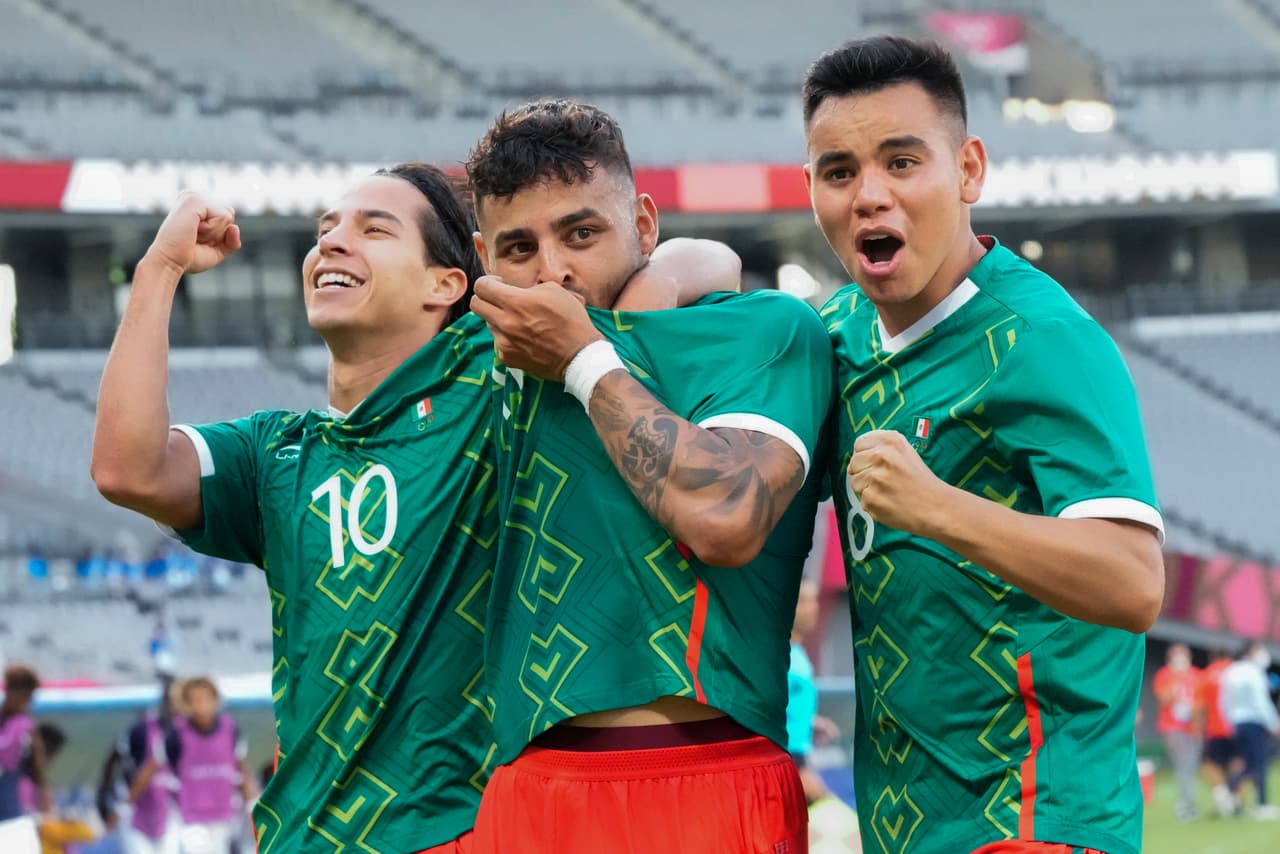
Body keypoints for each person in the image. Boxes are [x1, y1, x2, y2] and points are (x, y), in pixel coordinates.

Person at [92, 162, 734, 852]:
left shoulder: (496, 376)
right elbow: (128, 468)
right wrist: (159, 267)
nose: (332, 244)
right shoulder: (274, 453)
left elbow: (714, 262)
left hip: (458, 828)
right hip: (300, 835)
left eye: (375, 229)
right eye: (327, 230)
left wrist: (640, 301)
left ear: (447, 283)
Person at [804, 36, 1165, 854]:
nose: (870, 195)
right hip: (903, 825)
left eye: (902, 162)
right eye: (840, 171)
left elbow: (1134, 582)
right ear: (813, 191)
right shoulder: (833, 337)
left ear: (968, 170)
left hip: (1036, 816)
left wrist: (935, 507)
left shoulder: (1043, 339)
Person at [465, 98, 833, 852]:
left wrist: (587, 356)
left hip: (711, 777)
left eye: (581, 232)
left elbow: (727, 516)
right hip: (527, 795)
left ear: (643, 223)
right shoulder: (479, 375)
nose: (554, 271)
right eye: (518, 248)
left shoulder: (759, 329)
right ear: (482, 260)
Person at [127, 679, 249, 854]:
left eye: (205, 700)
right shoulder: (176, 735)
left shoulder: (230, 730)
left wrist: (251, 804)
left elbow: (242, 771)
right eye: (194, 701)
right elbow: (148, 771)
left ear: (215, 701)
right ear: (185, 705)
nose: (200, 707)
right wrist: (125, 806)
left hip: (224, 817)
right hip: (190, 819)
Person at [1221, 642, 1280, 819]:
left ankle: (1230, 789)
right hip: (1255, 721)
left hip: (1238, 722)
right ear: (1250, 652)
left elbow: (1224, 701)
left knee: (1248, 763)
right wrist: (1273, 723)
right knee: (1259, 763)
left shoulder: (1230, 671)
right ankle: (1261, 804)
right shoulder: (1254, 673)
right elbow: (1260, 701)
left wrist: (1230, 722)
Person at [1153, 643, 1201, 820]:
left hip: (1193, 727)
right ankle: (1183, 805)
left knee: (1192, 764)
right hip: (1172, 726)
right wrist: (1177, 681)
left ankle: (1190, 802)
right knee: (1182, 763)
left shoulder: (1196, 674)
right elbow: (1164, 699)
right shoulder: (1164, 675)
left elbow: (1201, 702)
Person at [1196, 647, 1238, 816]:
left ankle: (1223, 797)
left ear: (1213, 656)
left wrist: (1199, 728)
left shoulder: (1208, 675)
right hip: (1237, 726)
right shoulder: (1238, 672)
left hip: (1215, 728)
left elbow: (1199, 706)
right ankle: (1235, 797)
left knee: (1209, 765)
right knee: (1235, 762)